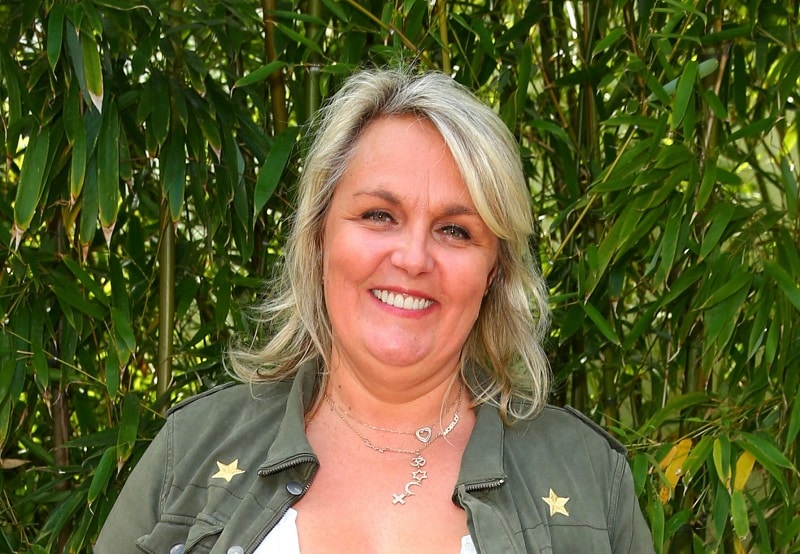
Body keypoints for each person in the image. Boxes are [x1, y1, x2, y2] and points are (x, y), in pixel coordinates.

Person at [95, 68, 654, 553]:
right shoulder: (192, 451)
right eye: (379, 216)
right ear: (319, 238)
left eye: (455, 230)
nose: (413, 258)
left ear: (494, 273)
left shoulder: (587, 476)